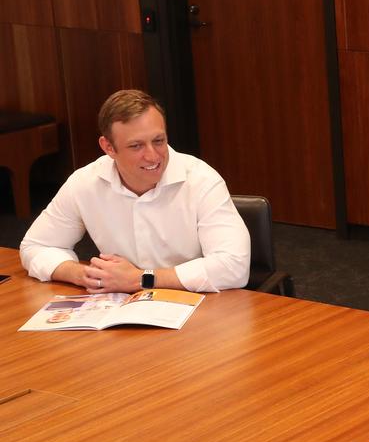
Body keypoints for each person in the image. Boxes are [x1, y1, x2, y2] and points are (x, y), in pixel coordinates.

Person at [20, 90, 250, 294]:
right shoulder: (85, 182)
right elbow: (35, 246)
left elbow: (234, 266)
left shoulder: (202, 180)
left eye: (158, 141)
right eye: (136, 146)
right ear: (108, 147)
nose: (153, 156)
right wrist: (83, 274)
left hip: (196, 305)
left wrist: (142, 279)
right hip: (121, 307)